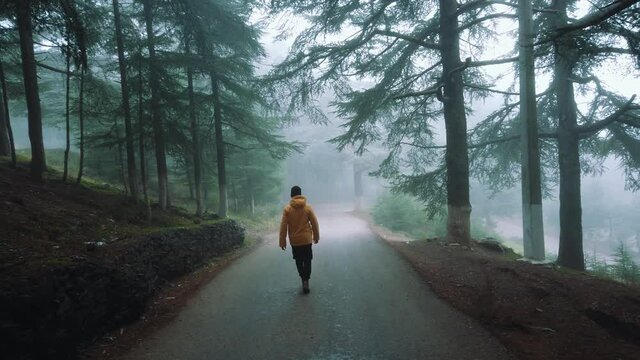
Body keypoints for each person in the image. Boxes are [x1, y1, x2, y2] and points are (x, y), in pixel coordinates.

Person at [279, 185, 320, 294]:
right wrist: (316, 236)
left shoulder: (287, 209)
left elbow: (283, 226)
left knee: (298, 260)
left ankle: (303, 278)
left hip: (295, 241)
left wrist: (282, 241)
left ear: (291, 195)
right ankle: (306, 280)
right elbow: (314, 223)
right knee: (307, 260)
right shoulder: (308, 208)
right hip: (306, 240)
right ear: (300, 194)